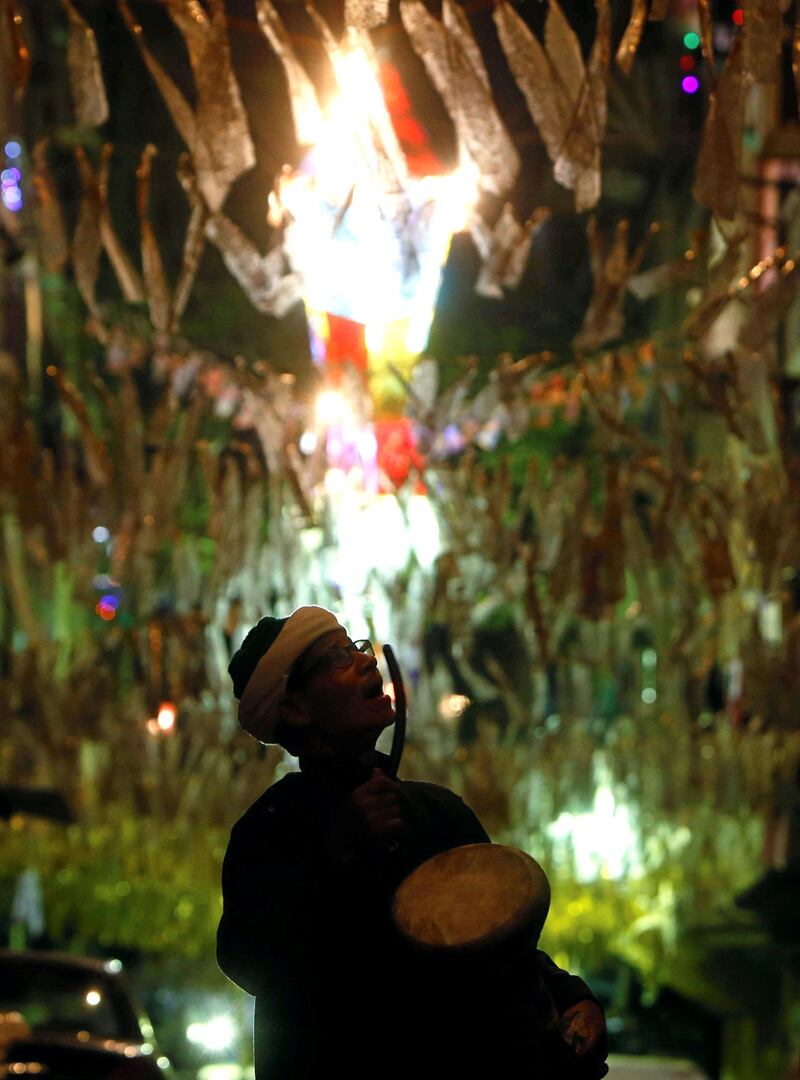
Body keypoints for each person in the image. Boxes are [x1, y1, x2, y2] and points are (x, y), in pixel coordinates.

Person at [217, 605, 607, 1077]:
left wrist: (570, 998)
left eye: (357, 647)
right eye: (339, 658)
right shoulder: (273, 828)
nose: (366, 661)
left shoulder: (438, 813)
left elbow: (499, 949)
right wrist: (341, 856)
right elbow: (247, 959)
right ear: (297, 708)